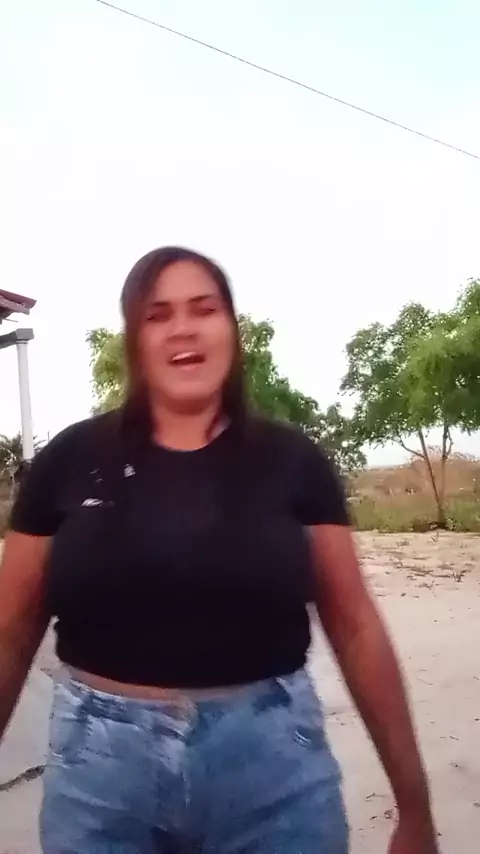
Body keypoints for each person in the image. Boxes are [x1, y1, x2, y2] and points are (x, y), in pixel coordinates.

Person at [0, 246, 438, 854]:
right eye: (158, 314)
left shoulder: (293, 462)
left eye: (204, 309)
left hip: (274, 772)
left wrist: (414, 806)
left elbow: (356, 627)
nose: (183, 327)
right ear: (134, 340)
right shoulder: (69, 461)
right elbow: (10, 633)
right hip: (100, 779)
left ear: (232, 329)